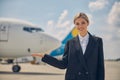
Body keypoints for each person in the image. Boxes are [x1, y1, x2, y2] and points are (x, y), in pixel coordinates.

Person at [31, 12, 105, 80]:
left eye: (83, 23)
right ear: (75, 25)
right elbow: (63, 64)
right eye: (77, 23)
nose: (80, 26)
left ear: (87, 23)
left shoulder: (97, 41)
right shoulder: (70, 43)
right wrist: (45, 57)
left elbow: (100, 66)